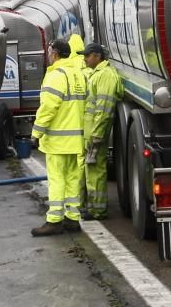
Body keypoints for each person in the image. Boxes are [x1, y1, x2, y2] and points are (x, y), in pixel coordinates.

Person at [31, 38, 87, 236]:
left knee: (57, 179)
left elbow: (48, 108)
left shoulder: (55, 75)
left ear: (54, 53)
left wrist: (36, 133)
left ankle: (54, 220)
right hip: (76, 140)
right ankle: (72, 219)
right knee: (73, 179)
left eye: (49, 51)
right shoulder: (78, 74)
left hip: (58, 141)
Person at [78, 42, 123, 220]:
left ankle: (98, 210)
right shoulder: (98, 74)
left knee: (96, 171)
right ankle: (92, 207)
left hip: (96, 134)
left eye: (87, 56)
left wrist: (97, 135)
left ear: (97, 56)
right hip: (91, 133)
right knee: (91, 170)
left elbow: (104, 109)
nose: (84, 59)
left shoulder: (105, 75)